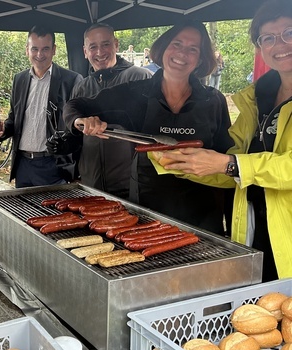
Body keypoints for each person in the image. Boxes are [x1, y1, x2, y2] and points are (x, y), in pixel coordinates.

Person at [149, 0, 292, 281]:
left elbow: (242, 165)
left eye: (289, 32)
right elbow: (236, 168)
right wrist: (183, 163)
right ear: (260, 46)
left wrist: (229, 164)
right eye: (268, 38)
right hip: (254, 229)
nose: (280, 44)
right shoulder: (256, 98)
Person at [63, 20, 233, 235]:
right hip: (148, 208)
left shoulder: (213, 100)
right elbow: (76, 105)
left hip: (202, 211)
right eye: (177, 44)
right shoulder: (136, 93)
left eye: (193, 49)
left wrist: (229, 223)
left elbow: (227, 159)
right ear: (163, 48)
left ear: (200, 59)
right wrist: (81, 121)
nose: (182, 53)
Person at [0, 25, 83, 187]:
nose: (39, 54)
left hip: (54, 165)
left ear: (54, 50)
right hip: (23, 165)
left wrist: (76, 170)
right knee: (22, 205)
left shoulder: (71, 80)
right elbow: (14, 119)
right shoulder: (19, 79)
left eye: (45, 49)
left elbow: (78, 130)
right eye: (35, 49)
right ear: (27, 50)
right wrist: (3, 131)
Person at [68, 23, 152, 198]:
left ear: (116, 45)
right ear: (85, 51)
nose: (100, 52)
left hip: (131, 185)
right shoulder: (81, 87)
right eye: (93, 47)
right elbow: (76, 136)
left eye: (105, 44)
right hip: (91, 183)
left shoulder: (140, 77)